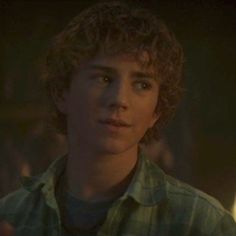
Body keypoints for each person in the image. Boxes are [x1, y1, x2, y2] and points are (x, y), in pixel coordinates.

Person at [0, 1, 235, 235]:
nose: (120, 100)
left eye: (142, 84)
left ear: (156, 111)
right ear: (62, 93)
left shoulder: (201, 223)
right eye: (103, 78)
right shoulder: (11, 215)